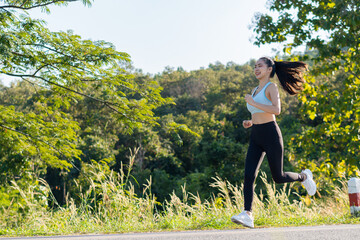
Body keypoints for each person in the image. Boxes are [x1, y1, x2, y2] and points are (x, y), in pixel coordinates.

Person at [231, 57, 317, 228]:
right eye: (255, 66)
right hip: (256, 135)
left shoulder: (271, 87)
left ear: (269, 69)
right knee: (249, 175)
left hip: (271, 134)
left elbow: (276, 110)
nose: (256, 69)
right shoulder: (255, 90)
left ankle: (304, 176)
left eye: (260, 66)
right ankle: (248, 213)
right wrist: (251, 121)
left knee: (278, 177)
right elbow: (259, 112)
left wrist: (253, 103)